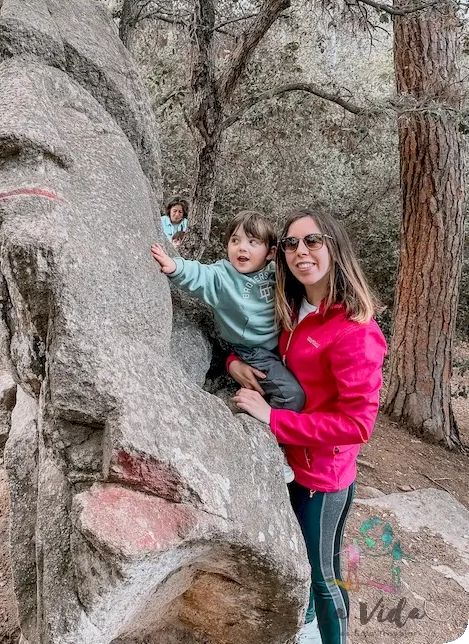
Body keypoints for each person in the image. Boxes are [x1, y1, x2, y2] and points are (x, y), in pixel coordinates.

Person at [229, 209, 387, 644]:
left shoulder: (356, 330)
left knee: (323, 576)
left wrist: (274, 419)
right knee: (302, 567)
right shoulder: (292, 306)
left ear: (334, 247)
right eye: (293, 243)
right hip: (287, 464)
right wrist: (235, 363)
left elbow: (357, 425)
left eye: (313, 241)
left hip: (323, 478)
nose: (302, 252)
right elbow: (255, 348)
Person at [151, 210, 306, 415]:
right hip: (254, 350)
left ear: (270, 253)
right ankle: (271, 430)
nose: (242, 247)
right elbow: (201, 274)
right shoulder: (224, 277)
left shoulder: (274, 272)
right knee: (291, 395)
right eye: (235, 240)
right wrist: (175, 266)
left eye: (253, 242)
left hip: (280, 343)